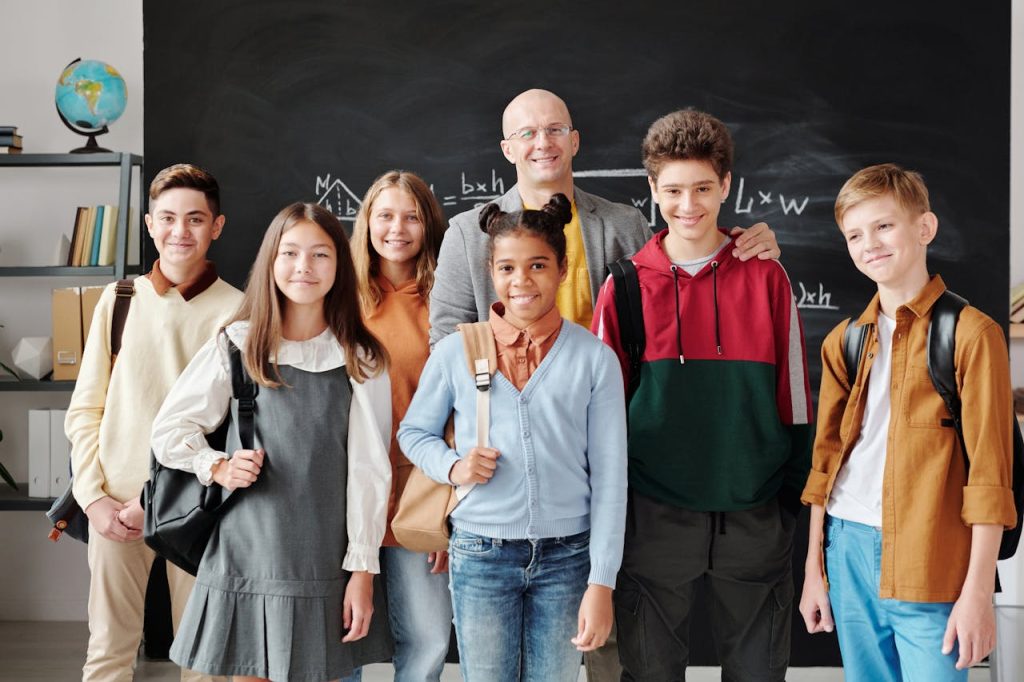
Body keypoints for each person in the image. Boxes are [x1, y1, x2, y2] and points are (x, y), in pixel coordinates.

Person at [429, 87, 783, 680]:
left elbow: (673, 280)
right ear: (507, 148)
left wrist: (748, 244)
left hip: (608, 452)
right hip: (503, 467)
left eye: (554, 130)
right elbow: (448, 339)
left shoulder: (621, 221)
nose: (542, 143)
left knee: (609, 635)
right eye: (527, 133)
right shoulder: (470, 231)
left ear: (575, 141)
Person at [591, 109, 813, 681]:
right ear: (652, 189)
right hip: (654, 516)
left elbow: (795, 396)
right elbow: (601, 413)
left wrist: (787, 496)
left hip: (754, 514)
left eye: (702, 188)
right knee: (651, 674)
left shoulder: (767, 276)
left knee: (758, 673)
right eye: (672, 190)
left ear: (726, 186)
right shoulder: (624, 285)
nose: (687, 205)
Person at [150, 203, 394, 682]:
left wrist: (362, 572)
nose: (304, 267)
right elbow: (169, 430)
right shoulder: (237, 343)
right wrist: (216, 465)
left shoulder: (361, 357)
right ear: (271, 261)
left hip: (327, 556)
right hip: (248, 550)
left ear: (339, 266)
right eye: (290, 253)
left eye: (321, 254)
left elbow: (370, 469)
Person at [798, 163, 1016, 681]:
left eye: (884, 226)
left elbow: (990, 476)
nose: (869, 243)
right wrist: (814, 570)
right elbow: (825, 466)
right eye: (854, 234)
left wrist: (978, 593)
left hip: (931, 556)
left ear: (924, 228)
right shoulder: (845, 342)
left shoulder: (971, 334)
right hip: (847, 551)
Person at [399, 194, 627, 682]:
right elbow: (413, 432)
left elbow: (611, 477)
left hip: (569, 558)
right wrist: (453, 466)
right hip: (480, 554)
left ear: (563, 269)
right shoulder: (458, 350)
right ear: (490, 272)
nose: (521, 281)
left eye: (538, 265)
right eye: (506, 267)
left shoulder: (595, 359)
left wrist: (601, 581)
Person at [65, 163, 242, 682]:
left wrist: (158, 499)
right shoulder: (118, 302)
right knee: (107, 654)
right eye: (167, 218)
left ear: (217, 226)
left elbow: (234, 424)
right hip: (113, 507)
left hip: (197, 507)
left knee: (203, 661)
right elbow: (86, 409)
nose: (179, 231)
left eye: (194, 219)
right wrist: (92, 498)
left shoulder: (239, 310)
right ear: (149, 223)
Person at [350, 170, 453, 681]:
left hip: (421, 489)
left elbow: (462, 408)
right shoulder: (337, 297)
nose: (397, 228)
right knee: (340, 636)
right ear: (366, 222)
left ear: (429, 224)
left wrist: (448, 512)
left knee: (429, 636)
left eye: (412, 216)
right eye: (385, 215)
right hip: (348, 492)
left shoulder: (448, 300)